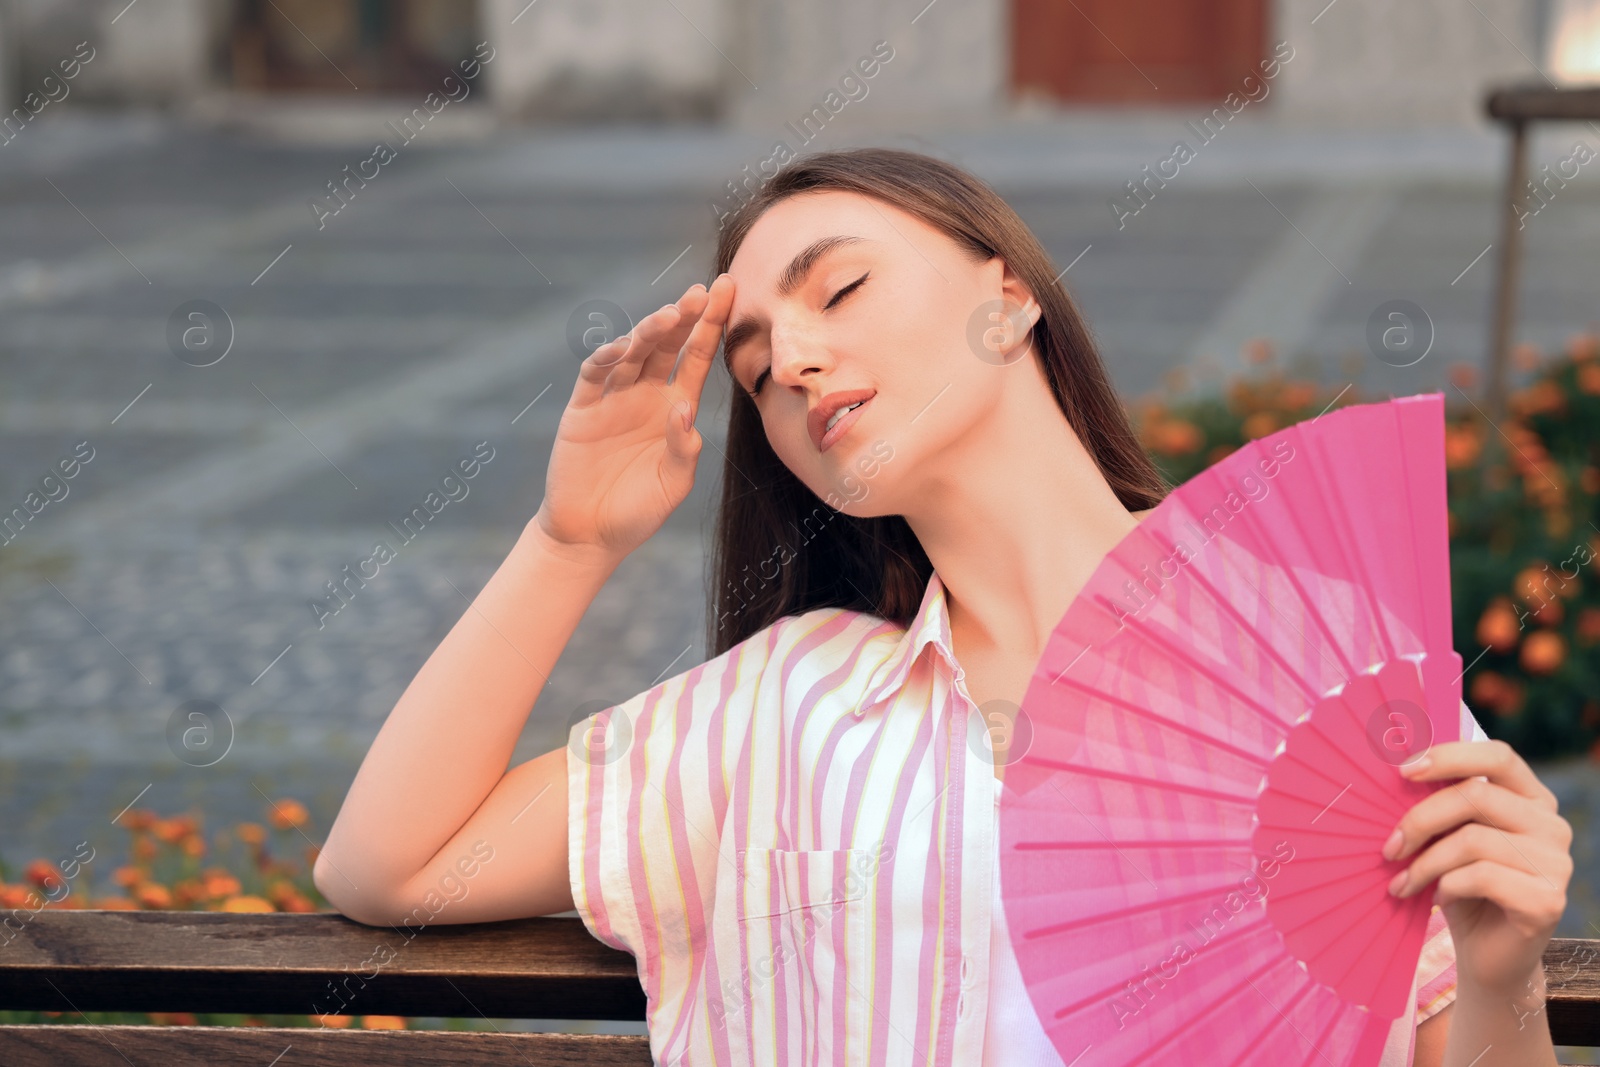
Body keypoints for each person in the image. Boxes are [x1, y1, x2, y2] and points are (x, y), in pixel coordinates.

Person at [313, 148, 1574, 1066]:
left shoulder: (1326, 669)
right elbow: (391, 862)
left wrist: (1505, 966)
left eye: (839, 290)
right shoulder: (790, 699)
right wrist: (568, 538)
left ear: (1007, 292)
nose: (792, 358)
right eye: (754, 368)